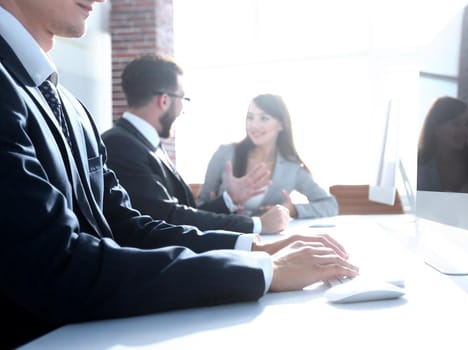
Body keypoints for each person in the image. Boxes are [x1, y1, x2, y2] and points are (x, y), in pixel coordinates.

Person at [0, 1, 359, 348]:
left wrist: (254, 248)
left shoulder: (71, 105)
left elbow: (128, 227)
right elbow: (56, 265)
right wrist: (263, 270)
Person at [102, 55, 290, 234]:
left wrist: (229, 199)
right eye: (182, 99)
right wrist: (257, 224)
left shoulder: (144, 143)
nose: (183, 109)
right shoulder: (120, 145)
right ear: (164, 100)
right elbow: (170, 218)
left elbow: (186, 212)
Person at [198, 94, 338, 218]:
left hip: (266, 241)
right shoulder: (225, 154)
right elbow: (199, 208)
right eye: (250, 118)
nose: (254, 125)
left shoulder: (291, 168)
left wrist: (293, 210)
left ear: (281, 125)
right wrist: (223, 206)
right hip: (224, 238)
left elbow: (330, 205)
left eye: (264, 118)